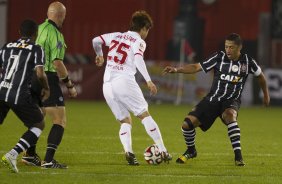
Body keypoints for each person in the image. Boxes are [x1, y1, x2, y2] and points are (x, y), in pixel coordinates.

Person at [163, 33, 270, 166]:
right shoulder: (218, 57)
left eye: (231, 47)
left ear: (239, 47)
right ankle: (191, 150)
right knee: (187, 125)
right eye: (226, 47)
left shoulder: (248, 62)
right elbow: (196, 67)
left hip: (231, 100)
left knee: (230, 115)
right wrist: (176, 69)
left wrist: (266, 95)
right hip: (212, 99)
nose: (228, 50)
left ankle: (238, 157)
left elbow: (261, 77)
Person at [92, 10, 172, 165]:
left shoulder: (116, 35)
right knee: (144, 115)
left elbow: (96, 40)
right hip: (124, 81)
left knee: (125, 120)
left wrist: (100, 55)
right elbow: (138, 59)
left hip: (107, 84)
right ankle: (163, 150)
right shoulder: (138, 41)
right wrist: (149, 81)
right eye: (148, 30)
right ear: (143, 28)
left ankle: (129, 151)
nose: (147, 33)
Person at [21, 1, 77, 169]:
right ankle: (49, 160)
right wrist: (69, 84)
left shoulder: (37, 30)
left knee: (38, 117)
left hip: (30, 77)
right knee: (60, 119)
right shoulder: (56, 34)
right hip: (47, 77)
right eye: (64, 16)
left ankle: (30, 155)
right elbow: (57, 63)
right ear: (61, 16)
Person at [0, 19, 50, 173]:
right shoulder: (36, 48)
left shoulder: (6, 46)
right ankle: (13, 154)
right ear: (35, 34)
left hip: (2, 91)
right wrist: (46, 88)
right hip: (19, 95)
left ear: (19, 32)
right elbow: (40, 74)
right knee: (39, 123)